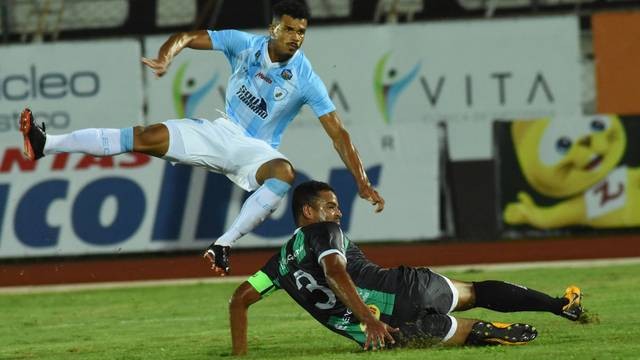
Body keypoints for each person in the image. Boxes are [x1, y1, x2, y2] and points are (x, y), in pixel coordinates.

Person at [18, 0, 384, 275]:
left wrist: (362, 182)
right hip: (219, 131)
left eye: (302, 32)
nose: (296, 38)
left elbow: (338, 132)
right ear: (274, 28)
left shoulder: (306, 78)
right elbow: (190, 37)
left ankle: (223, 245)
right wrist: (167, 56)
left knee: (283, 172)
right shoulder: (244, 44)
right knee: (145, 136)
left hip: (255, 152)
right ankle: (45, 144)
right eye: (290, 29)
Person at [228, 180, 584, 355]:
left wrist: (240, 354)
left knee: (436, 329)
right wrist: (368, 317)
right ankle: (558, 305)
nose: (338, 213)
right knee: (473, 292)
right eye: (332, 206)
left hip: (379, 330)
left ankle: (476, 330)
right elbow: (336, 271)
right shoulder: (324, 232)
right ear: (309, 212)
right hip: (401, 289)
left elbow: (239, 300)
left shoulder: (278, 265)